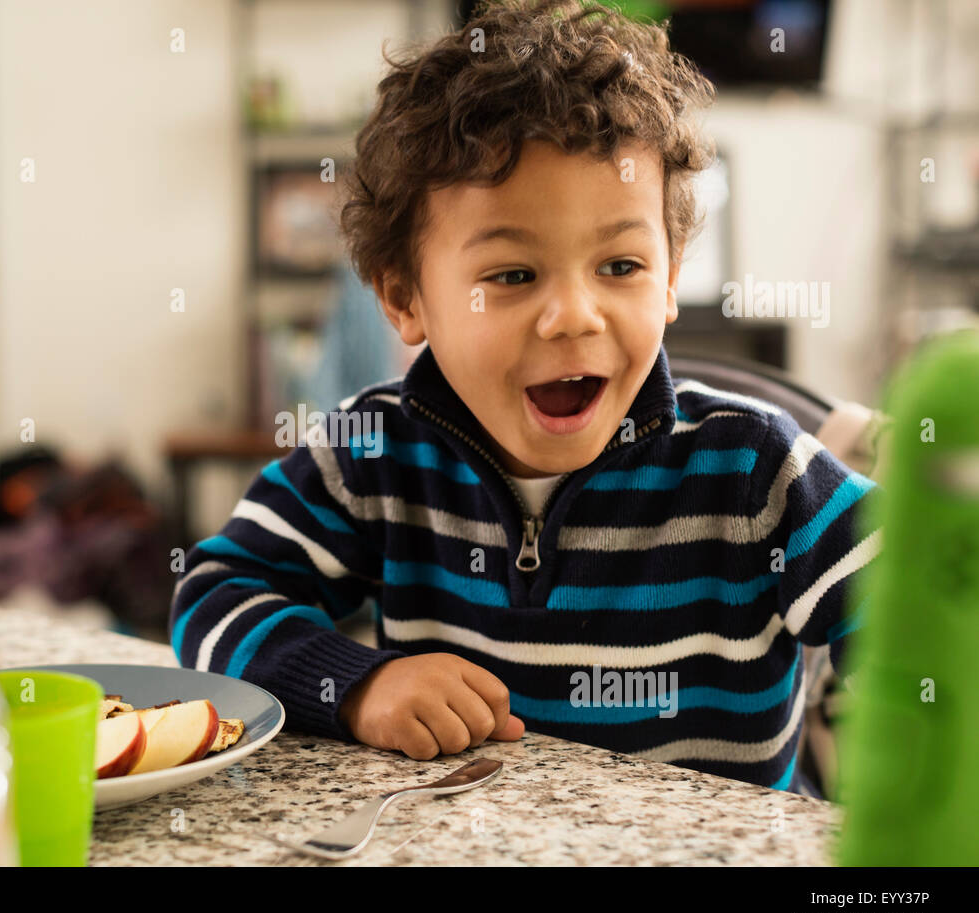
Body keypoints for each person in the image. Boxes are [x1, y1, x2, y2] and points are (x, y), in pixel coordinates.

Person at [169, 0, 880, 796]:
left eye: (621, 266)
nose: (575, 315)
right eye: (512, 276)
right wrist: (356, 685)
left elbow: (919, 599)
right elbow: (213, 593)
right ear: (406, 297)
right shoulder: (375, 454)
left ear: (672, 275)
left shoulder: (752, 470)